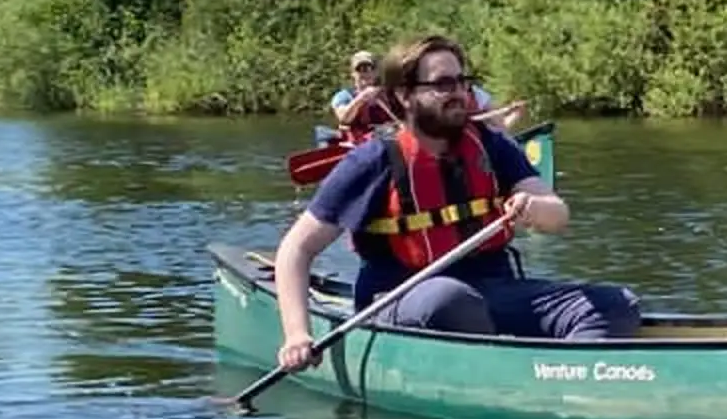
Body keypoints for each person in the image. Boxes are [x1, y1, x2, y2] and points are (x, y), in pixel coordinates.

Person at [273, 34, 642, 371]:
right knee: (450, 300)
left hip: (493, 289)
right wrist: (297, 335)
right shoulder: (372, 161)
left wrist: (533, 206)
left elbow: (558, 215)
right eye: (442, 84)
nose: (459, 93)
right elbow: (296, 249)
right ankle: (501, 377)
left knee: (615, 304)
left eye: (463, 82)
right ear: (404, 95)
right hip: (402, 296)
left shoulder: (490, 144)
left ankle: (568, 383)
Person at [329, 50, 398, 138]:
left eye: (369, 68)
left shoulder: (389, 94)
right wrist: (361, 98)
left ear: (376, 72)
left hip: (387, 139)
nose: (365, 73)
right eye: (359, 70)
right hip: (358, 144)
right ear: (353, 74)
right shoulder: (342, 96)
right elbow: (344, 118)